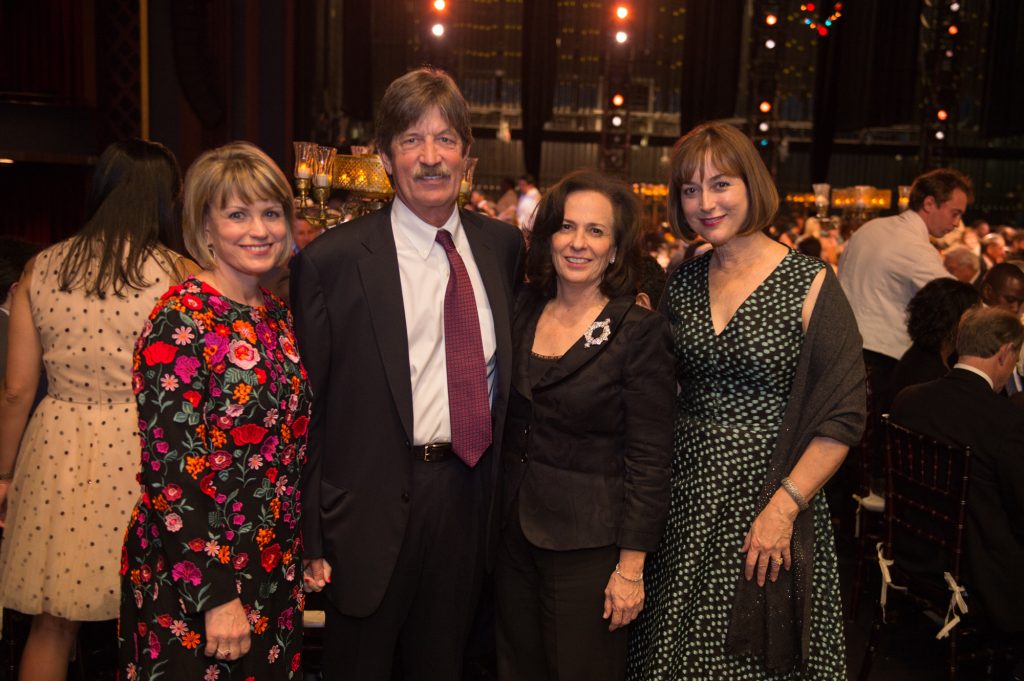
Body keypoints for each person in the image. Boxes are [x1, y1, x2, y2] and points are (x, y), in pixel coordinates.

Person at [290, 67, 523, 680]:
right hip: (367, 509)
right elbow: (308, 409)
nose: (430, 158)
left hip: (468, 497)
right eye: (411, 141)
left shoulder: (501, 248)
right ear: (385, 157)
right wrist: (311, 535)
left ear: (468, 158)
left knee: (443, 665)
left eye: (445, 140)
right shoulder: (332, 263)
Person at [628, 121, 865, 678]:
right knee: (671, 650)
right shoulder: (682, 281)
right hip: (684, 495)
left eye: (720, 184)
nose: (705, 203)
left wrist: (783, 508)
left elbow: (844, 414)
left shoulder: (809, 282)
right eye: (690, 189)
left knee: (750, 660)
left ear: (751, 185)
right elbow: (657, 385)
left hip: (769, 497)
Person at [118, 141, 312, 680]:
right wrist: (214, 595)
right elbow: (171, 472)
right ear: (205, 228)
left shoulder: (275, 315)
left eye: (271, 213)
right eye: (237, 214)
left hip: (273, 567)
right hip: (197, 578)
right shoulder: (180, 320)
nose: (259, 230)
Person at [0, 139, 189, 681]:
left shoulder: (42, 266)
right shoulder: (179, 274)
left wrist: (5, 472)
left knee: (52, 624)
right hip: (142, 450)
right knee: (153, 619)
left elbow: (16, 390)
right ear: (166, 198)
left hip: (57, 447)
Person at [495, 170, 674, 681]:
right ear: (548, 236)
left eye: (596, 231)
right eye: (567, 227)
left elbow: (649, 459)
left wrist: (631, 568)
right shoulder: (523, 307)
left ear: (616, 249)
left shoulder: (638, 331)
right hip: (511, 537)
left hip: (588, 552)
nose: (578, 242)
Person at [890, 307, 1024, 635]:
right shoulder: (1004, 420)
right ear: (1006, 352)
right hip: (976, 573)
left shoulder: (909, 399)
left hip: (912, 549)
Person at [839, 168, 969, 403]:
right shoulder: (914, 247)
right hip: (879, 358)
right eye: (954, 213)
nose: (957, 224)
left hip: (840, 347)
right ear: (929, 203)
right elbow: (958, 303)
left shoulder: (870, 228)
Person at [884, 278, 981, 412]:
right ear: (952, 321)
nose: (976, 326)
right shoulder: (927, 372)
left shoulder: (932, 356)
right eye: (972, 318)